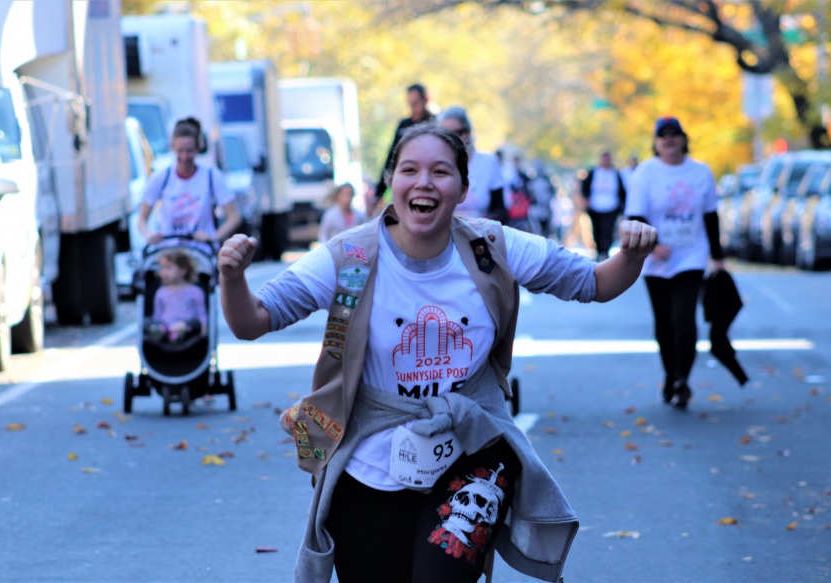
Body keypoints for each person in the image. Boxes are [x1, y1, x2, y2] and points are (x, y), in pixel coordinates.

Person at [218, 123, 657, 583]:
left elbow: (594, 283)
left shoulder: (493, 248)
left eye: (441, 172)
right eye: (410, 169)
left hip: (471, 452)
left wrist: (631, 254)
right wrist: (232, 278)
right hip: (368, 463)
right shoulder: (349, 257)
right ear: (392, 180)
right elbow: (253, 321)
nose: (424, 182)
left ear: (463, 188)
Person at [625, 117, 725, 409]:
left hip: (691, 255)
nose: (668, 140)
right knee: (664, 323)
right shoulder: (645, 173)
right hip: (656, 260)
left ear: (684, 139)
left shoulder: (701, 172)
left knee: (684, 319)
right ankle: (670, 373)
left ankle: (683, 379)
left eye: (674, 134)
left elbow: (710, 216)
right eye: (662, 136)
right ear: (655, 143)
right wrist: (653, 246)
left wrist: (718, 258)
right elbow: (635, 216)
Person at [137, 117, 241, 247]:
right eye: (180, 151)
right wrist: (149, 235)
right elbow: (141, 219)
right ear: (173, 148)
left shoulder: (211, 176)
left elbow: (234, 216)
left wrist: (214, 237)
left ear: (198, 148)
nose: (184, 157)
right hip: (170, 251)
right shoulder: (161, 177)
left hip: (203, 251)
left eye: (189, 151)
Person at [437, 106, 508, 224]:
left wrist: (483, 225)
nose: (450, 139)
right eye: (444, 134)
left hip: (480, 234)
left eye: (455, 133)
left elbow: (500, 210)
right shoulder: (436, 165)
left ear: (468, 132)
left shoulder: (488, 162)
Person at [374, 83, 435, 208]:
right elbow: (391, 156)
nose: (413, 108)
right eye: (410, 104)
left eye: (416, 103)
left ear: (426, 100)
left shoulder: (436, 123)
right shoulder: (404, 125)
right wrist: (379, 192)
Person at [145, 249, 207, 343]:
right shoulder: (161, 292)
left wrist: (204, 330)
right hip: (165, 326)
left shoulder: (195, 291)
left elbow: (201, 315)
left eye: (168, 267)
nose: (164, 272)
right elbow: (157, 314)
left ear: (182, 271)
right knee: (146, 322)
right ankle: (167, 333)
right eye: (162, 268)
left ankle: (175, 334)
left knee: (194, 323)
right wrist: (158, 326)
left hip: (186, 327)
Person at [580, 150, 627, 260]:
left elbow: (622, 191)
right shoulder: (593, 172)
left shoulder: (616, 174)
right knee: (597, 229)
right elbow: (585, 187)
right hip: (595, 207)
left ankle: (605, 251)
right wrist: (586, 200)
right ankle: (599, 250)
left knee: (608, 230)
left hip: (611, 206)